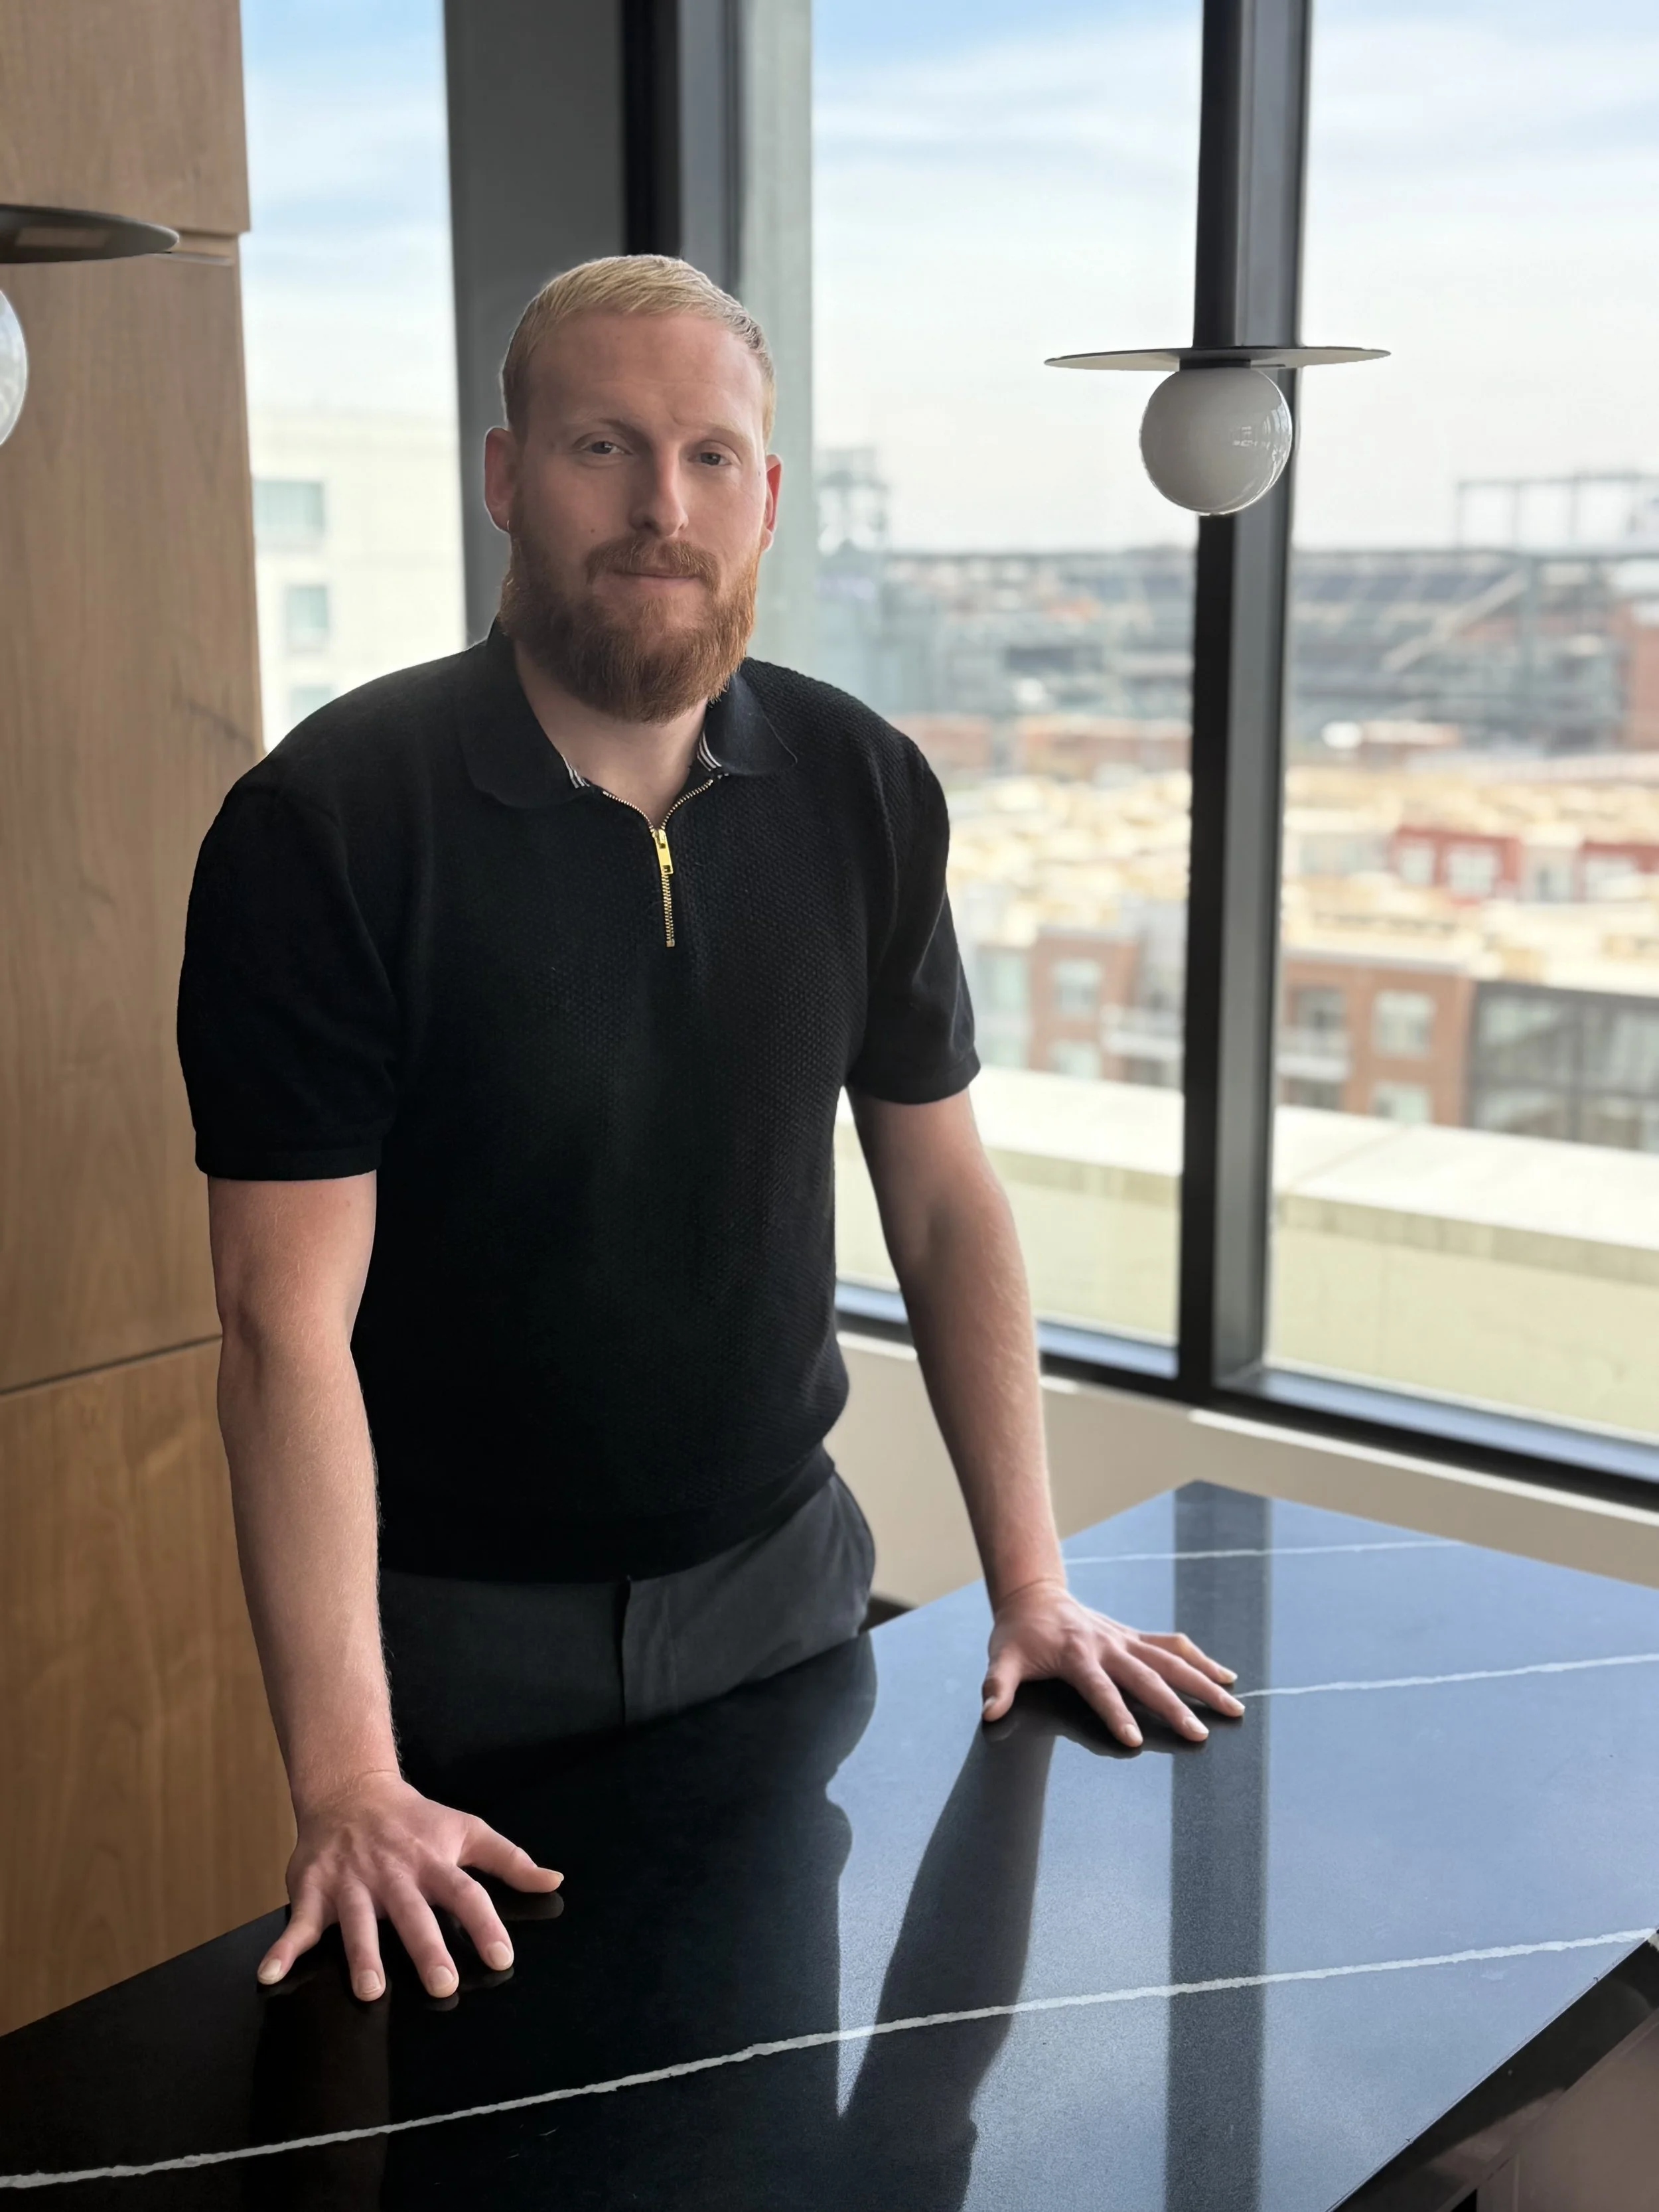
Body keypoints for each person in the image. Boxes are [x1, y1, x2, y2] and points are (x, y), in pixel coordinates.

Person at [177, 254, 1242, 2015]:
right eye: (603, 445)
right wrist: (347, 1777)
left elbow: (948, 1200)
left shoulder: (863, 784)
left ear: (764, 494)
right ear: (509, 476)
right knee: (485, 2141)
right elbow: (276, 1318)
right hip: (458, 1636)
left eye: (708, 456)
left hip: (787, 1589)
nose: (658, 507)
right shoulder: (328, 825)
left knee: (763, 2087)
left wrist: (1030, 1582)